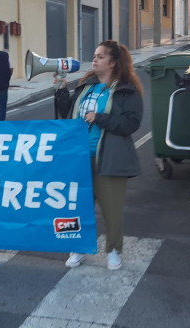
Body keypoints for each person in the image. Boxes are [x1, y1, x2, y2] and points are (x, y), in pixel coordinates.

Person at [54, 40, 143, 271]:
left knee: (111, 208)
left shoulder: (126, 90)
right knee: (77, 206)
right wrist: (62, 91)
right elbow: (68, 115)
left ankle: (113, 250)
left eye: (100, 56)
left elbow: (131, 123)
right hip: (80, 157)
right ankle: (78, 247)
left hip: (109, 157)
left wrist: (101, 118)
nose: (94, 60)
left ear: (113, 62)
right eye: (94, 55)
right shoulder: (86, 86)